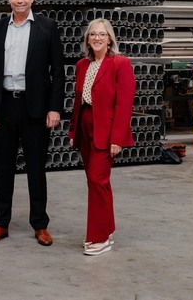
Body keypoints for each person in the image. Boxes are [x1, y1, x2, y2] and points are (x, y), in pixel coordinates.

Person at [0, 0, 65, 246]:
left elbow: (58, 72)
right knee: (2, 168)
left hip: (35, 107)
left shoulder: (47, 27)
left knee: (36, 168)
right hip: (4, 106)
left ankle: (40, 224)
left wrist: (55, 108)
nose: (20, 0)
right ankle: (0, 223)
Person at [68, 18, 136, 256]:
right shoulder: (82, 65)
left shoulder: (120, 64)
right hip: (85, 127)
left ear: (109, 39)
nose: (97, 38)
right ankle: (106, 229)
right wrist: (73, 131)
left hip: (106, 131)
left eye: (102, 34)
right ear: (88, 39)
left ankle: (99, 238)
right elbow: (78, 101)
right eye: (93, 34)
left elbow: (124, 104)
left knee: (98, 180)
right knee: (96, 183)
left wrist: (117, 138)